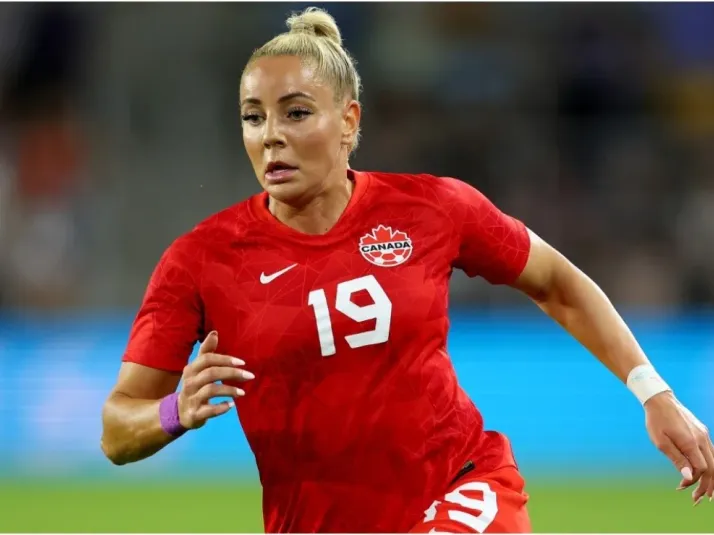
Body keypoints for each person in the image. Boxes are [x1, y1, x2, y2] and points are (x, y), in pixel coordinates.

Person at [100, 7, 714, 533]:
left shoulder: (432, 208)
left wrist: (652, 391)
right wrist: (174, 410)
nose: (270, 137)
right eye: (253, 117)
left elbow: (557, 282)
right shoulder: (200, 260)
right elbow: (116, 431)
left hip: (464, 485)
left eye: (296, 113)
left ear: (349, 120)